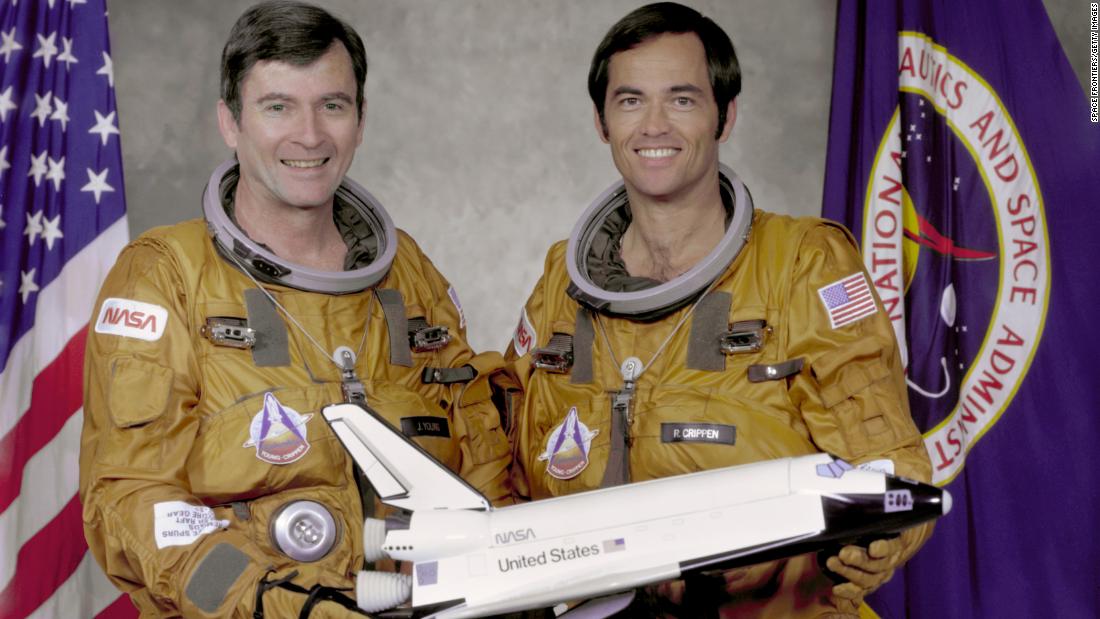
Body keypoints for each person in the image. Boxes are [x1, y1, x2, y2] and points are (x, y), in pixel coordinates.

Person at [79, 2, 511, 617]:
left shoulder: (408, 272)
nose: (309, 135)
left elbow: (481, 450)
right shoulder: (166, 275)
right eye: (278, 106)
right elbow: (131, 499)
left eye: (332, 105)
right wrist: (285, 607)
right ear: (230, 123)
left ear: (360, 121)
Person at [503, 3, 933, 617]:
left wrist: (885, 535)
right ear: (602, 122)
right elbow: (508, 461)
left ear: (725, 116)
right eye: (630, 101)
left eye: (681, 100)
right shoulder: (561, 283)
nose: (654, 126)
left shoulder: (803, 264)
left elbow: (888, 456)